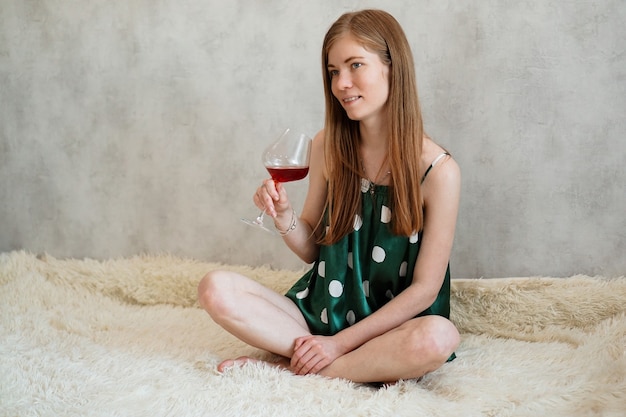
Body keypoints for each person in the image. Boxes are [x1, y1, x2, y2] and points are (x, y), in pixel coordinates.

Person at [198, 8, 461, 384]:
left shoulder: (439, 172)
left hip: (390, 332)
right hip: (321, 315)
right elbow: (311, 250)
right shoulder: (327, 146)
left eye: (355, 65)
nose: (341, 83)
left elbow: (424, 291)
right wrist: (285, 217)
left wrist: (338, 345)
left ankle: (294, 369)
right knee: (215, 288)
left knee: (439, 337)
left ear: (393, 68)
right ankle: (346, 367)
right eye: (334, 71)